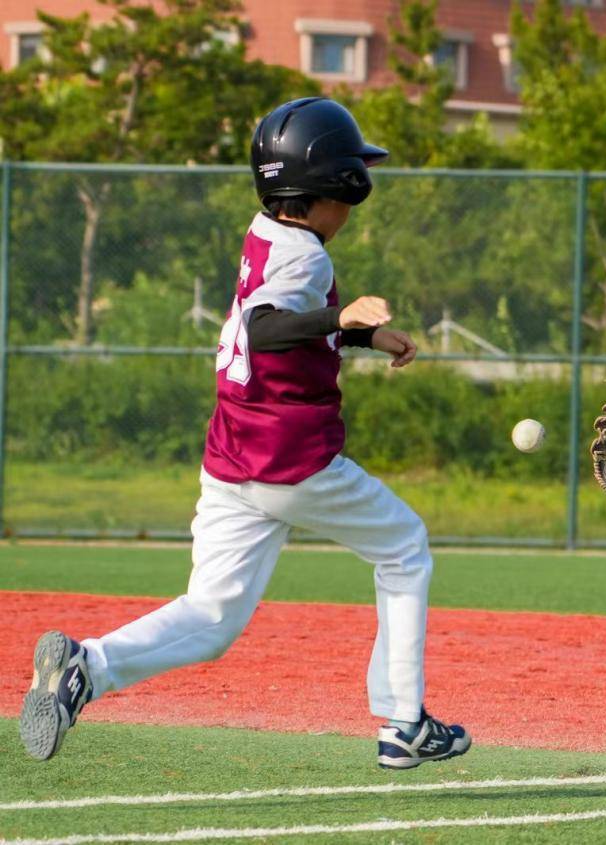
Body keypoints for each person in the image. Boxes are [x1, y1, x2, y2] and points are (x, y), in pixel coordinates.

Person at [19, 98, 470, 770]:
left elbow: (276, 324)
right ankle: (404, 721)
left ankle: (87, 667)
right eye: (347, 185)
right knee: (404, 546)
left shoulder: (264, 232)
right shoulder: (309, 260)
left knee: (211, 617)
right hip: (292, 461)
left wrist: (359, 333)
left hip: (233, 459)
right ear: (325, 190)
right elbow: (265, 328)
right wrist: (336, 315)